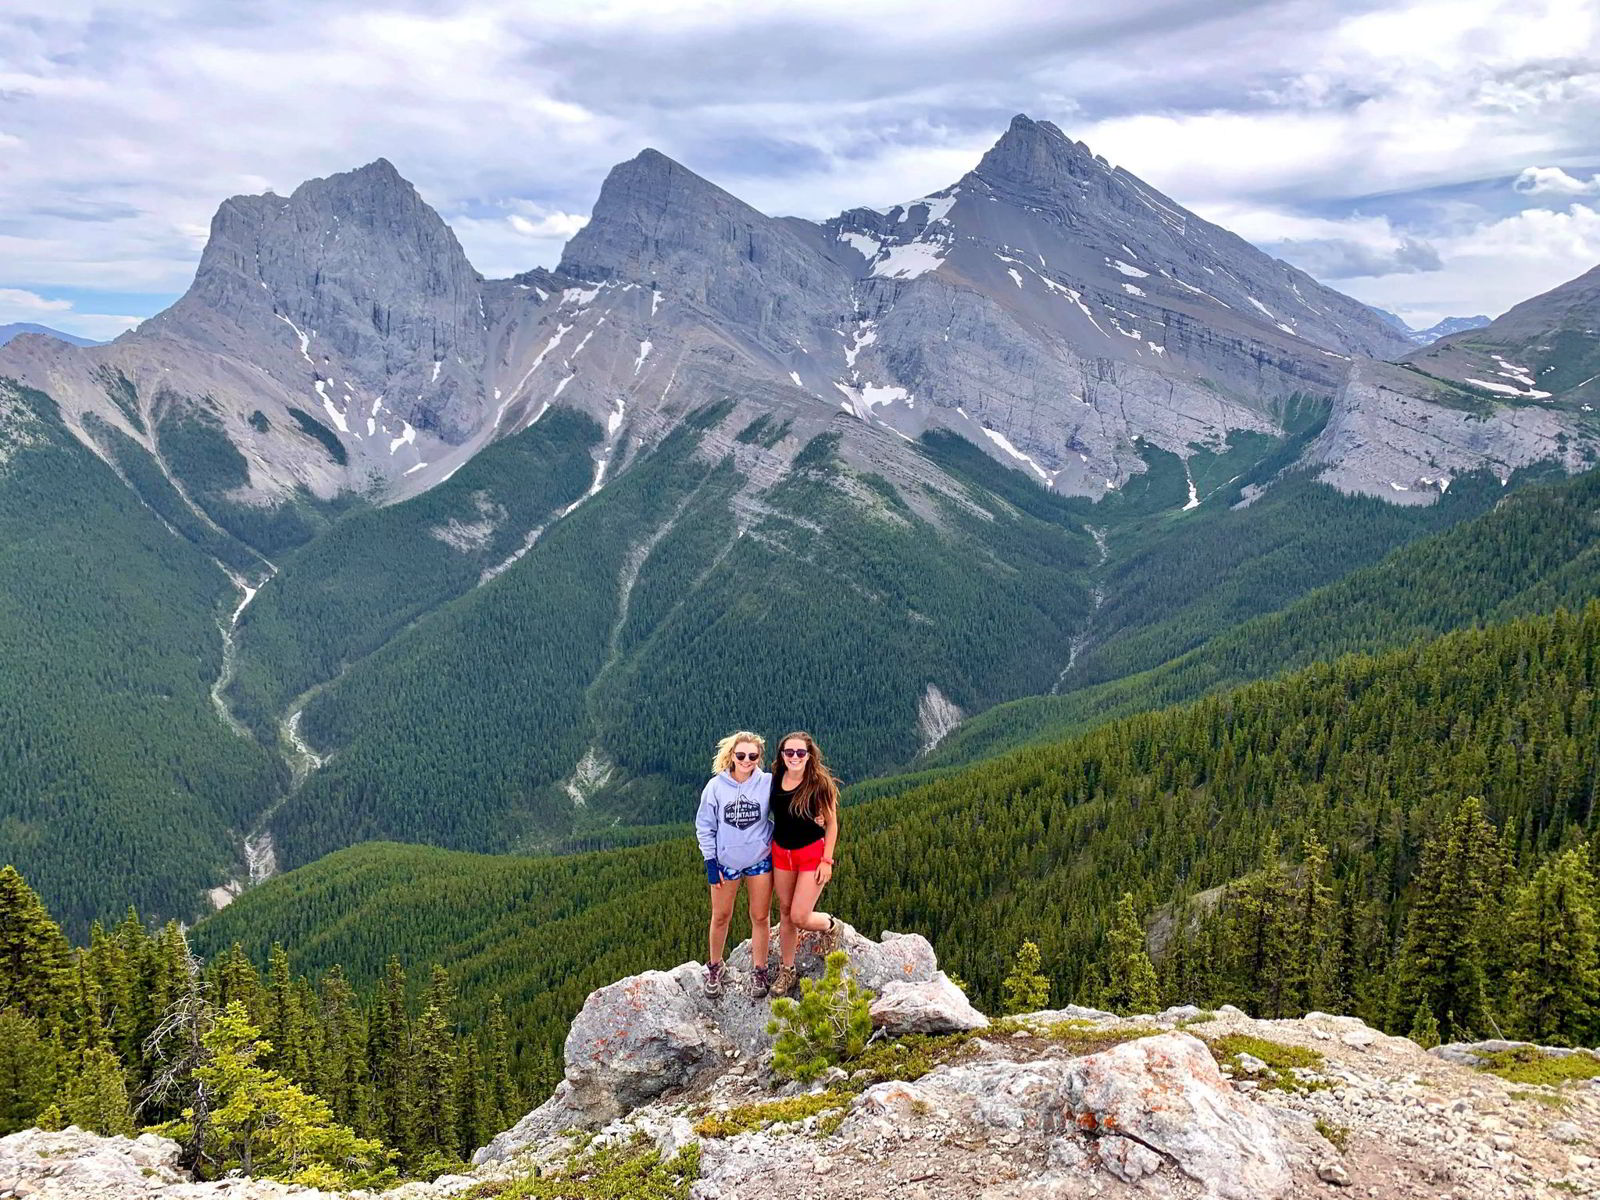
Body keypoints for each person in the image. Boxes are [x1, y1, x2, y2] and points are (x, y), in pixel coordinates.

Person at [695, 730, 775, 999]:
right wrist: (710, 862)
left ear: (759, 757)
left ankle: (760, 970)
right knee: (720, 916)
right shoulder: (716, 787)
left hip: (759, 859)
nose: (747, 760)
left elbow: (789, 808)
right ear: (731, 755)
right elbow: (704, 826)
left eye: (753, 756)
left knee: (760, 917)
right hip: (725, 862)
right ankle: (716, 967)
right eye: (741, 755)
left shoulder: (767, 783)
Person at [769, 730, 842, 997]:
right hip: (781, 854)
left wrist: (827, 860)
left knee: (800, 916)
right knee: (786, 913)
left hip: (811, 854)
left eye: (801, 752)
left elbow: (832, 824)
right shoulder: (776, 779)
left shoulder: (819, 784)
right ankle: (787, 969)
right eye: (789, 752)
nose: (795, 757)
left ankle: (830, 925)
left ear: (809, 755)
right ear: (782, 755)